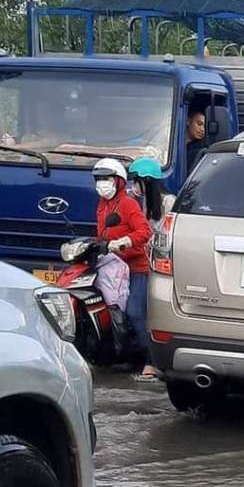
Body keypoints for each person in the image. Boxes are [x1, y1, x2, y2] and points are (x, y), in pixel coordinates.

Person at [92, 158, 155, 379]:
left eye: (106, 179)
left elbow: (145, 232)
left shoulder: (128, 204)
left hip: (135, 267)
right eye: (98, 179)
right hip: (112, 268)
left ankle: (152, 360)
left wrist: (125, 241)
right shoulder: (102, 205)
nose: (102, 184)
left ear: (118, 181)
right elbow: (102, 234)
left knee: (135, 311)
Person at [128, 157, 168, 231]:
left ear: (147, 180)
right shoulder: (146, 199)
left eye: (136, 182)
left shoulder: (168, 201)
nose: (133, 186)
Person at [184, 109, 207, 175]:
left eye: (204, 126)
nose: (202, 129)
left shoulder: (200, 150)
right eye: (199, 124)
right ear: (188, 121)